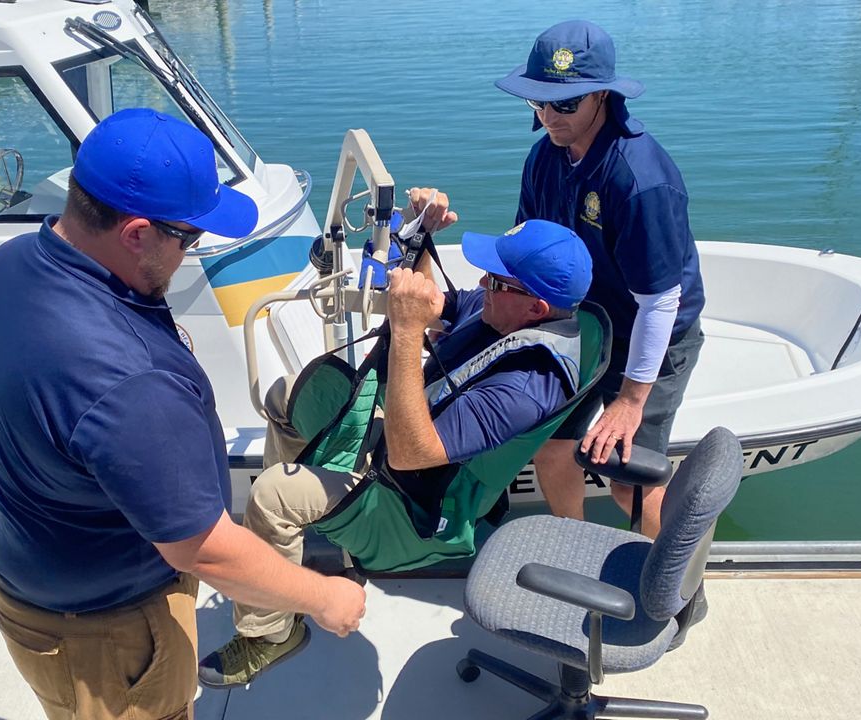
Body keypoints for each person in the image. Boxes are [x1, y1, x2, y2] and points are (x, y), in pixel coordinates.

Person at [0, 109, 365, 720]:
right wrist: (323, 596)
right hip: (106, 629)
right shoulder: (126, 382)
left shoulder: (11, 264)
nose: (191, 254)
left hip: (38, 577)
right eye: (190, 238)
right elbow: (202, 549)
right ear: (136, 233)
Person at [197, 219, 593, 689]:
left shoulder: (526, 385)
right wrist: (420, 234)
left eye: (496, 280)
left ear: (536, 307)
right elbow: (435, 301)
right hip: (395, 454)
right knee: (286, 397)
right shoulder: (499, 315)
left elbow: (411, 455)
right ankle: (292, 554)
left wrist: (406, 330)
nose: (483, 283)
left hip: (414, 508)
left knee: (272, 495)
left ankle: (270, 634)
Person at [409, 19, 705, 538]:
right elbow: (523, 251)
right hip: (578, 318)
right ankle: (578, 544)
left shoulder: (640, 180)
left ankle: (675, 579)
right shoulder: (545, 155)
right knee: (552, 445)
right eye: (538, 102)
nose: (548, 116)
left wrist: (630, 401)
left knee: (624, 475)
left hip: (648, 333)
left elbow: (661, 301)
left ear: (602, 98)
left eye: (564, 104)